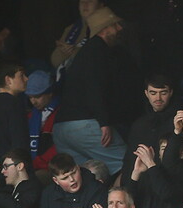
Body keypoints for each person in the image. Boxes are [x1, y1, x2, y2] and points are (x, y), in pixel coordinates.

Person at [52, 8, 130, 175]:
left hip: (61, 128)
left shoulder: (86, 52)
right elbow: (94, 88)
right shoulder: (98, 52)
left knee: (83, 179)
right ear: (104, 29)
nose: (119, 29)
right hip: (84, 125)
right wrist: (103, 122)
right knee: (129, 165)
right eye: (115, 25)